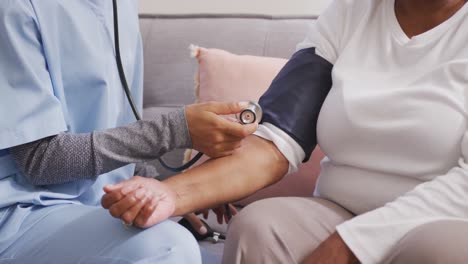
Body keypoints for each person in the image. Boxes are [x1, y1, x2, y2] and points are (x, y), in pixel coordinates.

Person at [102, 0, 468, 263]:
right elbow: (275, 140)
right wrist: (169, 195)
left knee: (443, 252)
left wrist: (353, 244)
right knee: (258, 228)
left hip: (440, 221)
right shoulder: (349, 13)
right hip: (341, 207)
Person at [0, 1, 257, 263]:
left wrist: (165, 191)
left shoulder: (119, 6)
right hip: (21, 213)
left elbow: (111, 126)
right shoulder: (15, 9)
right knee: (169, 248)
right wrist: (175, 130)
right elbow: (39, 160)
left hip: (94, 207)